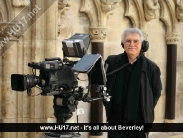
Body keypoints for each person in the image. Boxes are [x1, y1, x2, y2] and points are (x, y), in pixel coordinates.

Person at [103, 28, 162, 138]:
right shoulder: (112, 62)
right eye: (128, 41)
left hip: (139, 121)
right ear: (123, 44)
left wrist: (145, 107)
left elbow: (156, 93)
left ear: (143, 45)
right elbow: (103, 86)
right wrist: (108, 105)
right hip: (115, 119)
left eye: (136, 41)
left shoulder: (151, 67)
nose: (132, 44)